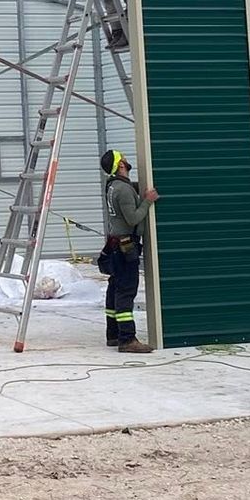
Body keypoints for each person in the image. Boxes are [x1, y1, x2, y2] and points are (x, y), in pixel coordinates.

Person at [99, 148, 157, 352]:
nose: (126, 159)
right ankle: (127, 339)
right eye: (123, 157)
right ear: (120, 164)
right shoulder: (123, 190)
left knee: (115, 287)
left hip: (115, 244)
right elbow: (132, 218)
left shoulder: (113, 186)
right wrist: (148, 200)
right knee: (126, 289)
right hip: (125, 246)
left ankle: (113, 334)